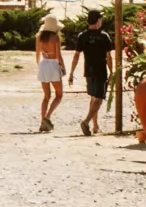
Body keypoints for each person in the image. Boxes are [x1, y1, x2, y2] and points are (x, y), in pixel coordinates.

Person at [66, 8, 113, 137]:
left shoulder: (82, 36)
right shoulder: (104, 36)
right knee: (99, 98)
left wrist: (71, 72)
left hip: (88, 70)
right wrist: (112, 71)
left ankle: (95, 125)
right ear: (98, 20)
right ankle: (86, 121)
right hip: (100, 70)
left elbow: (76, 55)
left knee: (93, 96)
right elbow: (108, 56)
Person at [33, 14, 65, 131]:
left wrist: (40, 66)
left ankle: (42, 123)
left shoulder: (39, 36)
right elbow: (58, 55)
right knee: (59, 94)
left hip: (43, 64)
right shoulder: (55, 38)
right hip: (52, 64)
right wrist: (63, 67)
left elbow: (37, 54)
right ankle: (47, 117)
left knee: (46, 96)